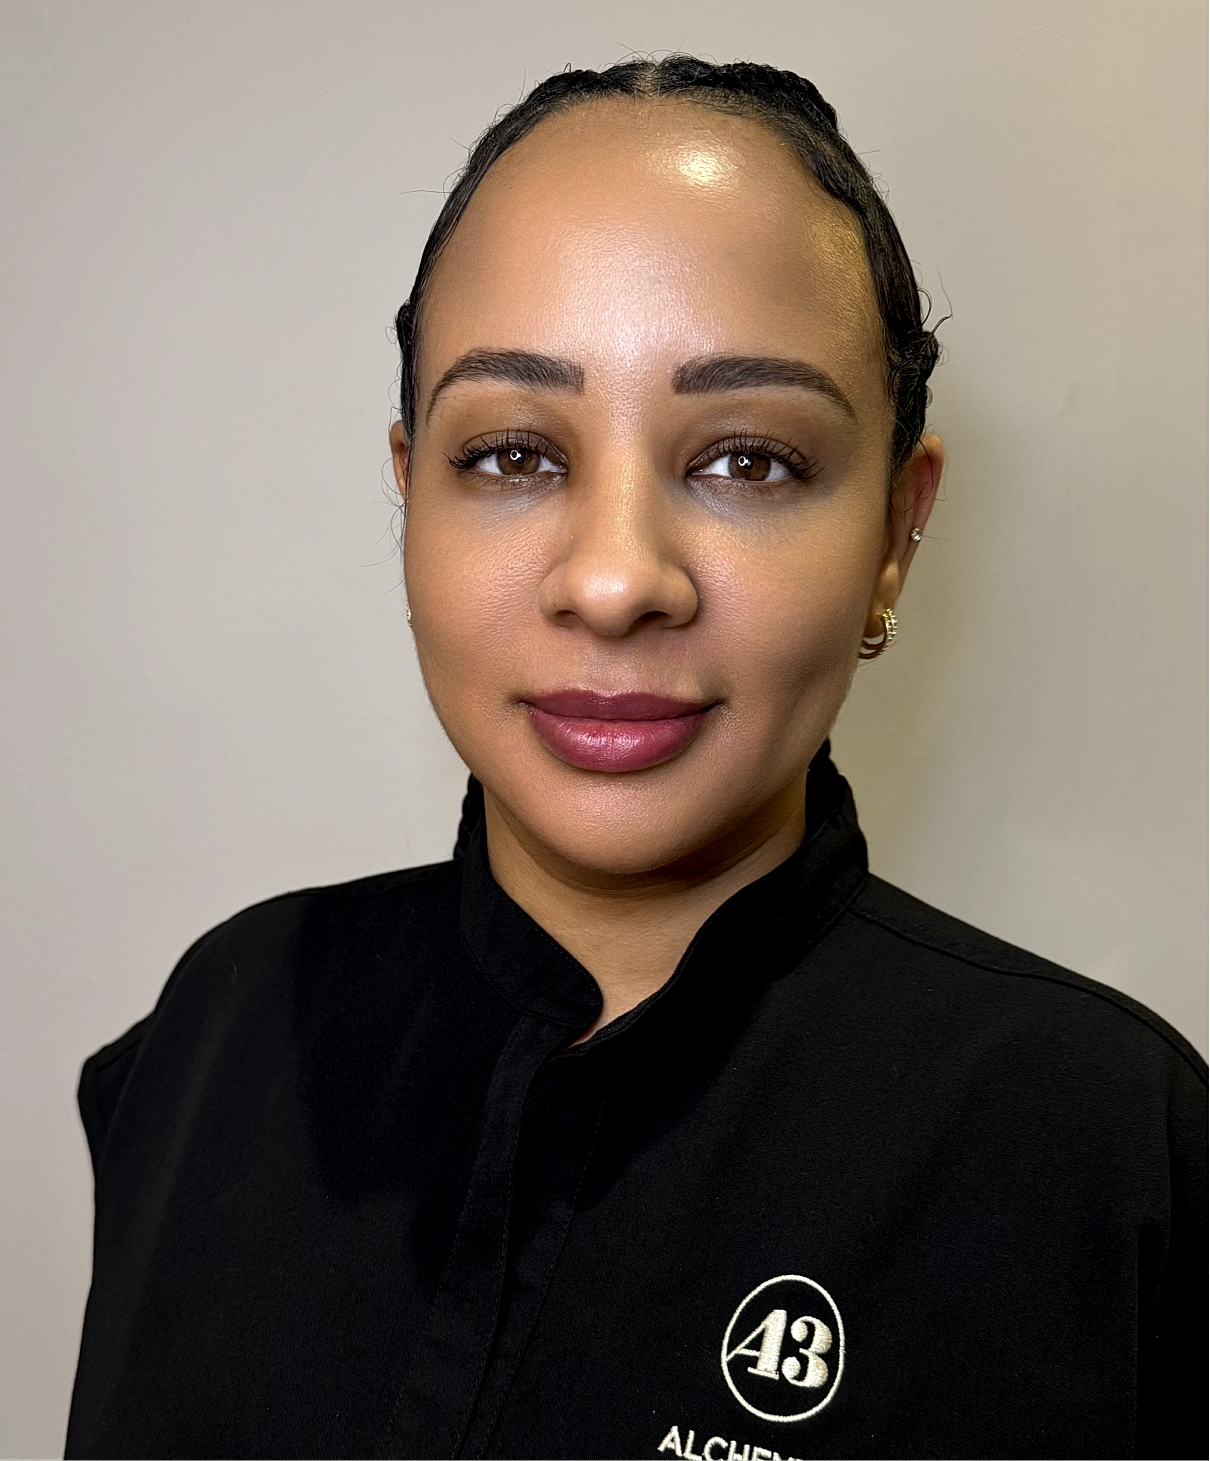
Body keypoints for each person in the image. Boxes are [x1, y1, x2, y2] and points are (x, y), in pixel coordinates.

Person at [65, 57, 1205, 1460]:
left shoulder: (1096, 1141)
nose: (613, 583)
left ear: (895, 538)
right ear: (407, 487)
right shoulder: (217, 1030)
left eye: (746, 460)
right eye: (509, 456)